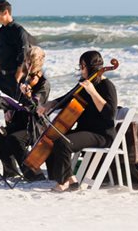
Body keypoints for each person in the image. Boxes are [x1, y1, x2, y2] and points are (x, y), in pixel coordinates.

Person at [43, 50, 119, 191]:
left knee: (63, 143)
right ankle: (70, 179)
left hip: (102, 134)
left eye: (82, 66)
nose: (81, 70)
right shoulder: (86, 83)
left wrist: (93, 92)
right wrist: (51, 103)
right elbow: (68, 98)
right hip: (85, 130)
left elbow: (109, 113)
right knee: (54, 138)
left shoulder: (107, 86)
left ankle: (64, 182)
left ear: (91, 66)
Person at [0, 44, 49, 179]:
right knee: (1, 134)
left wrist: (29, 96)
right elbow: (16, 101)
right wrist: (9, 110)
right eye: (27, 61)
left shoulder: (43, 84)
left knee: (15, 139)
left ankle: (33, 173)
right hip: (20, 121)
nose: (28, 64)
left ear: (40, 62)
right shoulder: (24, 79)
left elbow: (36, 108)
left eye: (32, 62)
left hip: (33, 125)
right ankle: (10, 172)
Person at [0, 0, 34, 96]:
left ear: (6, 12)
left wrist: (17, 78)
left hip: (15, 77)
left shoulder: (19, 31)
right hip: (3, 78)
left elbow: (23, 56)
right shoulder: (1, 31)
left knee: (16, 109)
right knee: (6, 110)